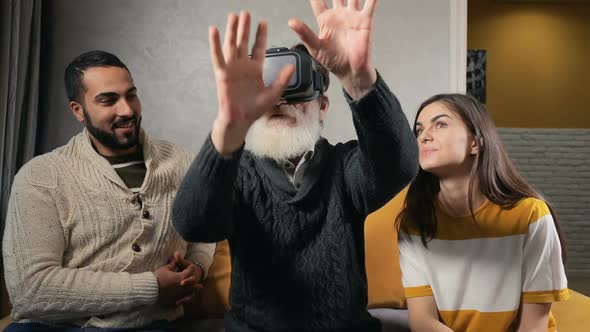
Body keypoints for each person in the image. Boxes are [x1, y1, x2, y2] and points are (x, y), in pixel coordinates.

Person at [172, 1, 419, 331]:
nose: (279, 100)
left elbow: (398, 165)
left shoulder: (345, 169)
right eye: (267, 90)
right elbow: (193, 224)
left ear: (323, 106)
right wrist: (226, 130)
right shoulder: (237, 174)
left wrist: (359, 80)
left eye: (295, 89)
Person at [2, 50, 216, 331]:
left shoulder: (184, 162)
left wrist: (198, 267)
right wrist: (150, 287)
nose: (127, 110)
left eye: (131, 95)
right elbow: (31, 291)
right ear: (78, 110)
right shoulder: (40, 176)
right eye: (108, 100)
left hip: (149, 324)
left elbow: (205, 229)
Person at [396, 93, 569, 332]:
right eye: (419, 130)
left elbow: (533, 327)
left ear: (475, 143)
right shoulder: (414, 223)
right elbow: (423, 321)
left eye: (441, 124)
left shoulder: (531, 215)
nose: (424, 136)